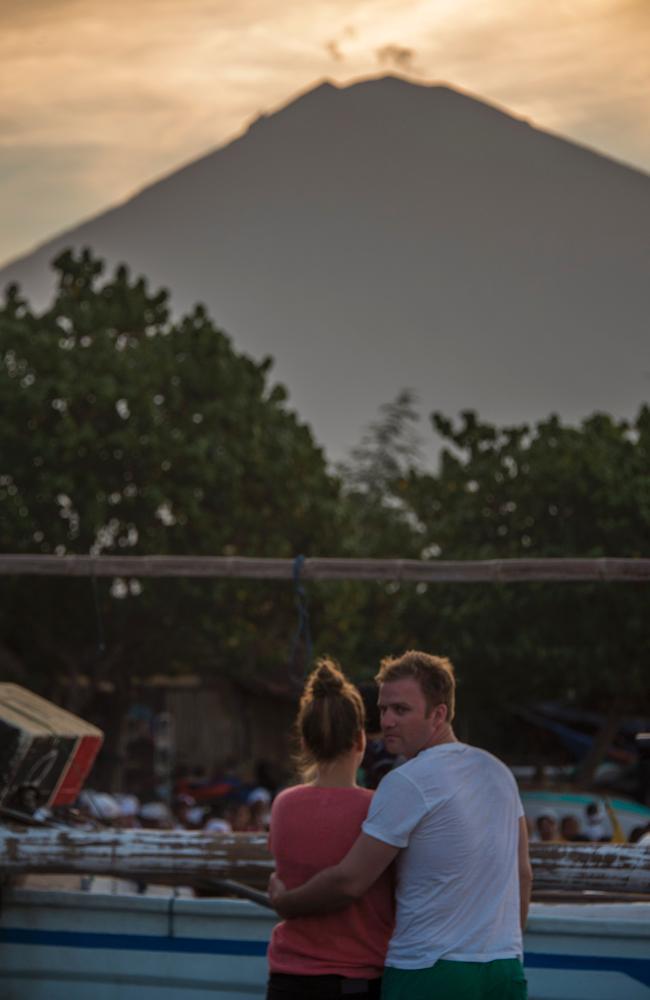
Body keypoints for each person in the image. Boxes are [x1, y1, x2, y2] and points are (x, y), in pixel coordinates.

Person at [270, 650, 532, 1000]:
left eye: (401, 710)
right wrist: (506, 944)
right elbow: (523, 873)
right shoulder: (498, 771)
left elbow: (350, 881)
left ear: (438, 714)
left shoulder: (407, 781)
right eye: (383, 709)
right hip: (503, 967)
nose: (388, 721)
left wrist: (286, 903)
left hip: (429, 971)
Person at [266, 658, 394, 1000]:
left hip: (287, 979)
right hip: (354, 979)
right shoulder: (378, 808)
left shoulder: (284, 804)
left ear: (305, 743)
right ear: (361, 741)